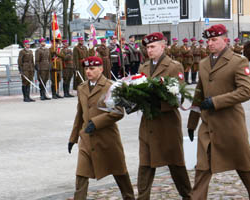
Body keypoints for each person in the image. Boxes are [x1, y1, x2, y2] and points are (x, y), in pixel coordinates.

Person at [187, 24, 250, 199]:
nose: (210, 44)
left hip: (231, 125)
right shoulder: (204, 63)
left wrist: (215, 101)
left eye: (214, 40)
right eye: (208, 40)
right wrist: (192, 123)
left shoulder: (238, 61)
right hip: (208, 126)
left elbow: (246, 92)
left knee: (244, 166)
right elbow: (199, 94)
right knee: (202, 168)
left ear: (225, 40)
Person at [67, 56, 135, 200]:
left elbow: (118, 112)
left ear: (101, 69)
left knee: (119, 172)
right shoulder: (82, 87)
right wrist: (73, 138)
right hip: (86, 137)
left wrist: (96, 122)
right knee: (81, 174)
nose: (88, 72)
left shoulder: (110, 86)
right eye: (86, 68)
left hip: (107, 138)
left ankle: (129, 197)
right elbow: (80, 114)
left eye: (92, 68)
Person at [137, 32, 192, 200]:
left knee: (176, 164)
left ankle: (188, 195)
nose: (149, 50)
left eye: (153, 46)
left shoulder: (174, 66)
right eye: (147, 47)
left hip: (167, 123)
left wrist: (158, 100)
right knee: (145, 165)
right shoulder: (143, 67)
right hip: (148, 123)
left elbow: (179, 96)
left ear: (163, 46)